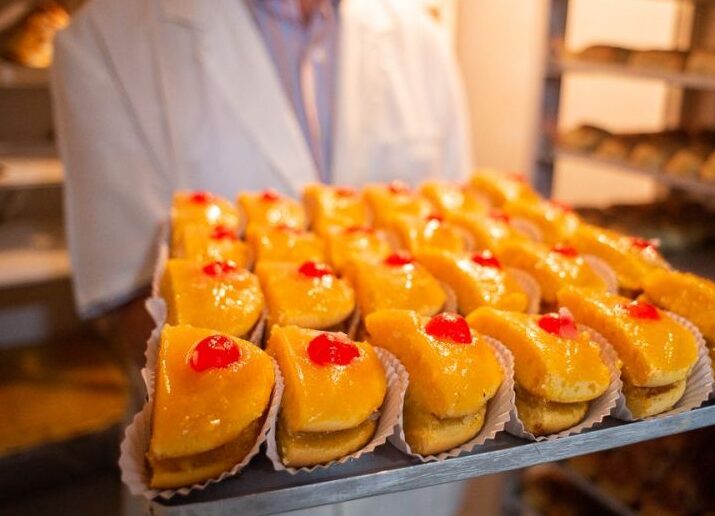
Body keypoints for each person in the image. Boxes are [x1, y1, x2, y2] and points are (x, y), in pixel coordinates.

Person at [51, 0, 472, 514]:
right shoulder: (106, 38)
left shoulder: (422, 37)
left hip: (411, 488)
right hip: (220, 471)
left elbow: (454, 241)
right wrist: (288, 393)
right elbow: (128, 298)